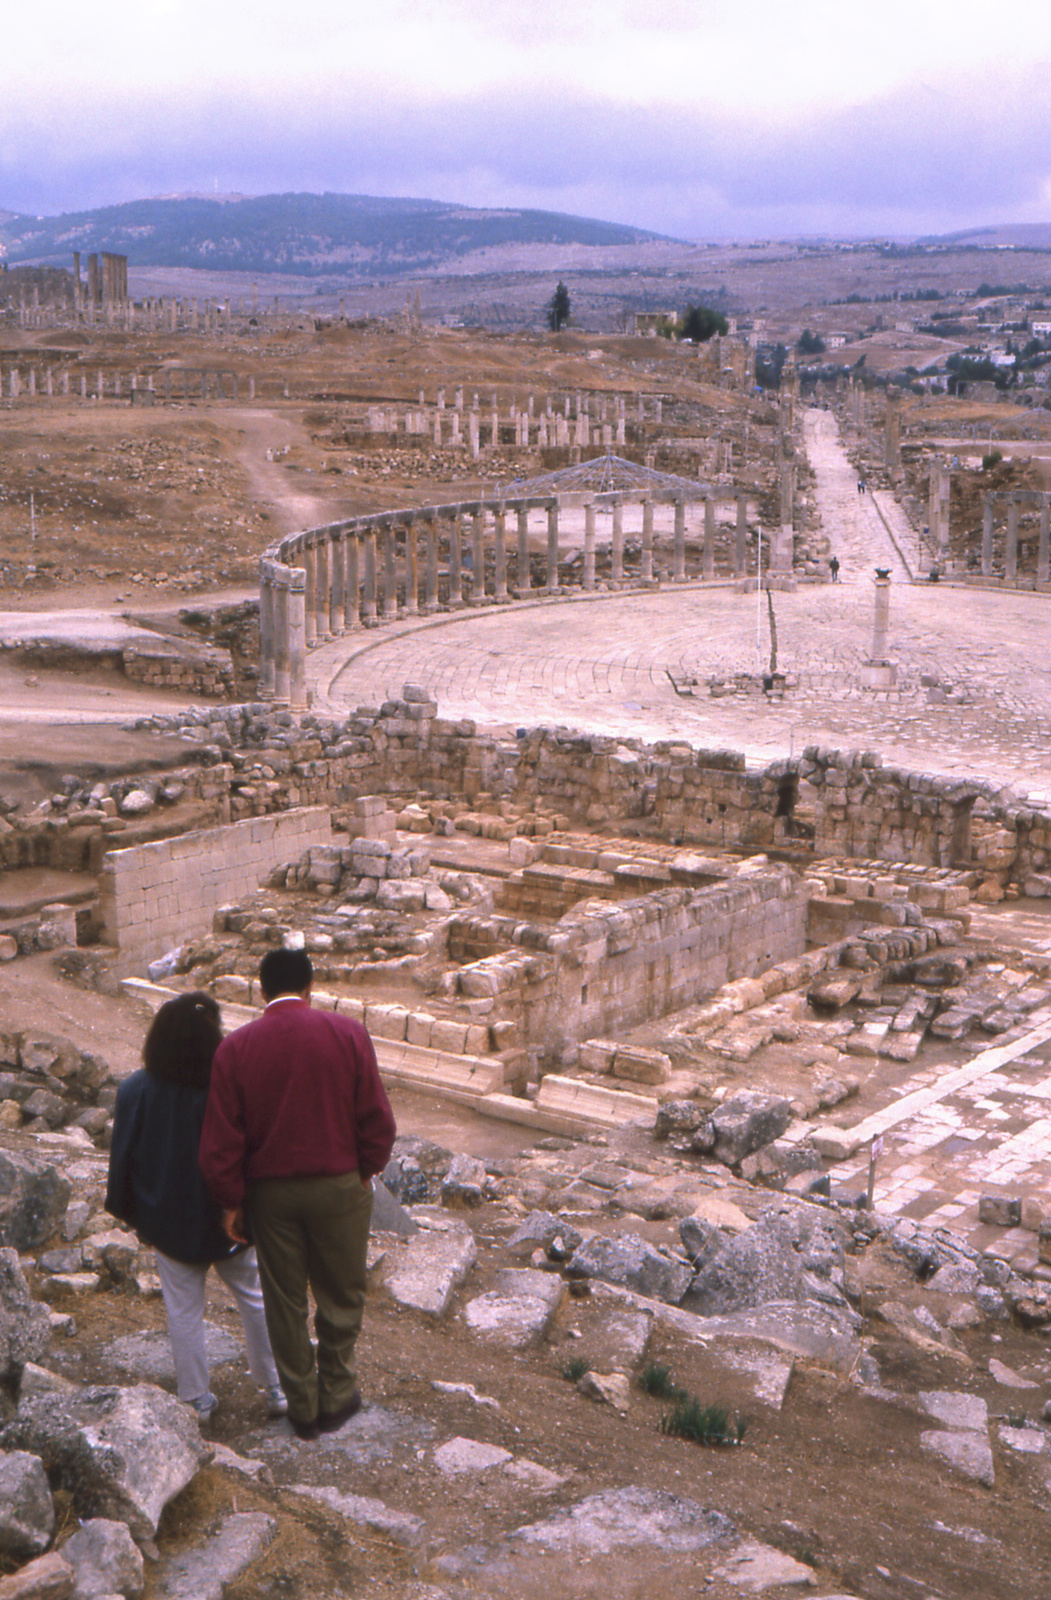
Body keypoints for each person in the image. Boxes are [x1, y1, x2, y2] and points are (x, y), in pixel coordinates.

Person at [199, 948, 396, 1442]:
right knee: (342, 1291)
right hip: (339, 1185)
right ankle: (338, 1392)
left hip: (271, 1196)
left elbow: (222, 1139)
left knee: (284, 1299)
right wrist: (366, 1168)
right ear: (311, 988)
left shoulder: (236, 1049)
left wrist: (232, 1200)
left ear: (261, 991)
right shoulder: (348, 1033)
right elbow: (376, 1115)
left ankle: (302, 1406)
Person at [105, 992, 285, 1423]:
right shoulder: (234, 1089)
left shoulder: (135, 1090)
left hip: (168, 1220)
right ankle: (278, 1386)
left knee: (183, 1309)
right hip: (233, 1220)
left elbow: (123, 1157)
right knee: (256, 1298)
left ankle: (195, 1400)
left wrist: (134, 1216)